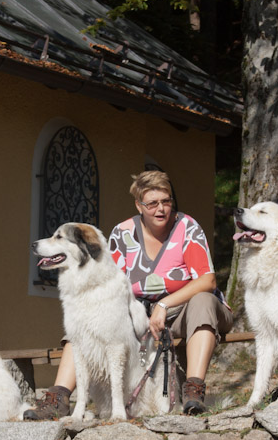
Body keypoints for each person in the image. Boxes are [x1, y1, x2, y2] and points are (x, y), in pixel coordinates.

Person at [25, 170, 233, 418]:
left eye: (166, 202)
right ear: (139, 205)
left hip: (188, 311)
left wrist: (164, 305)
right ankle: (57, 398)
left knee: (203, 300)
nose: (161, 209)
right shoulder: (123, 233)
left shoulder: (187, 228)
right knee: (86, 320)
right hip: (139, 313)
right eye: (152, 203)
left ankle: (194, 391)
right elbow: (110, 279)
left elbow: (207, 280)